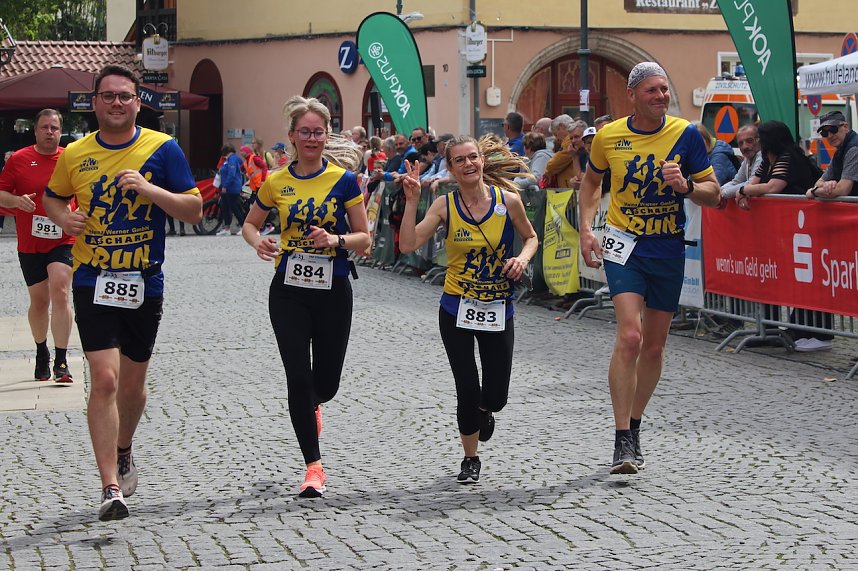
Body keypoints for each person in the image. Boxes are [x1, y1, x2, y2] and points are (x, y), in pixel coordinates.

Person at [43, 64, 202, 521]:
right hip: (92, 278)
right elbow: (53, 197)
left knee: (133, 387)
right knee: (106, 380)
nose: (116, 103)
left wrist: (150, 189)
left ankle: (125, 447)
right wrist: (63, 217)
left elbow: (194, 209)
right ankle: (110, 486)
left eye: (125, 96)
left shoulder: (163, 148)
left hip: (143, 282)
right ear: (94, 103)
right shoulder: (75, 153)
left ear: (138, 103)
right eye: (108, 96)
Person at [578, 62, 720, 475]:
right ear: (632, 95)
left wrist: (686, 187)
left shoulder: (686, 134)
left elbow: (714, 194)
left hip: (667, 247)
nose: (661, 96)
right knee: (631, 336)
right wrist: (586, 229)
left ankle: (635, 424)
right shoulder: (608, 136)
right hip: (624, 245)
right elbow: (591, 183)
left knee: (655, 347)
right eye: (652, 90)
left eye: (664, 89)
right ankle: (622, 436)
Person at [241, 95, 370, 498]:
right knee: (298, 376)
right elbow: (250, 224)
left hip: (333, 289)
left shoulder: (344, 181)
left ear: (327, 135)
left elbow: (365, 239)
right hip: (289, 291)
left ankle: (315, 402)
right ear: (292, 136)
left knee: (325, 384)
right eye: (305, 132)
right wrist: (258, 242)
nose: (312, 138)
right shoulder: (276, 180)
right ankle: (313, 467)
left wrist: (335, 240)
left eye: (318, 132)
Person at [399, 135, 538, 484]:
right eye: (459, 160)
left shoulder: (508, 201)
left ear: (482, 160)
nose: (468, 164)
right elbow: (408, 244)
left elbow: (531, 237)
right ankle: (470, 458)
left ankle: (484, 409)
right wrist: (412, 201)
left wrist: (522, 259)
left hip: (498, 307)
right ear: (450, 168)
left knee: (496, 395)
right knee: (466, 386)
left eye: (473, 157)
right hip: (456, 307)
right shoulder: (444, 206)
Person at [0, 109, 76, 383]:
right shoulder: (19, 159)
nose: (49, 132)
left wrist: (78, 212)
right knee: (40, 302)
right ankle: (41, 350)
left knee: (61, 291)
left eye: (54, 128)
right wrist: (16, 201)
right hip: (30, 243)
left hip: (64, 239)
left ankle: (62, 361)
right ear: (35, 131)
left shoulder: (70, 158)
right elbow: (1, 193)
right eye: (44, 127)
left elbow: (86, 192)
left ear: (60, 131)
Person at [807, 111, 857, 200]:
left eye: (833, 130)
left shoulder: (854, 149)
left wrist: (814, 192)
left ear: (845, 127)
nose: (829, 136)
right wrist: (827, 184)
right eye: (824, 133)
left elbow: (842, 189)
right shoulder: (840, 150)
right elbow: (819, 182)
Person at [720, 124, 762, 202]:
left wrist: (723, 193)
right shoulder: (747, 159)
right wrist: (720, 190)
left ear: (758, 140)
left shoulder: (761, 156)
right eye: (740, 143)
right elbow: (736, 181)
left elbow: (751, 183)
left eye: (749, 141)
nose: (744, 146)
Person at [543, 117, 587, 189]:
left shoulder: (569, 143)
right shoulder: (573, 145)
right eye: (571, 138)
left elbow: (552, 165)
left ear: (562, 126)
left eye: (556, 134)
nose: (556, 138)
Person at [216, 144, 246, 236]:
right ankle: (227, 228)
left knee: (235, 208)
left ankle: (243, 227)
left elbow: (231, 174)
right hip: (228, 188)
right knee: (225, 207)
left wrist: (225, 186)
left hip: (231, 188)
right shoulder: (229, 159)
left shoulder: (232, 159)